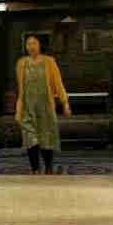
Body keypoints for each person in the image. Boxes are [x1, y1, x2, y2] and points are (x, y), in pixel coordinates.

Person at [15, 35, 71, 174]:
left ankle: (48, 167)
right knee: (30, 138)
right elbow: (20, 88)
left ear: (40, 45)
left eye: (34, 43)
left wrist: (65, 103)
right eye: (28, 44)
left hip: (45, 107)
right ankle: (35, 169)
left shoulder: (49, 62)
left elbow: (58, 84)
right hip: (28, 107)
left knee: (46, 136)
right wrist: (18, 108)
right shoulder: (21, 63)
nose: (31, 46)